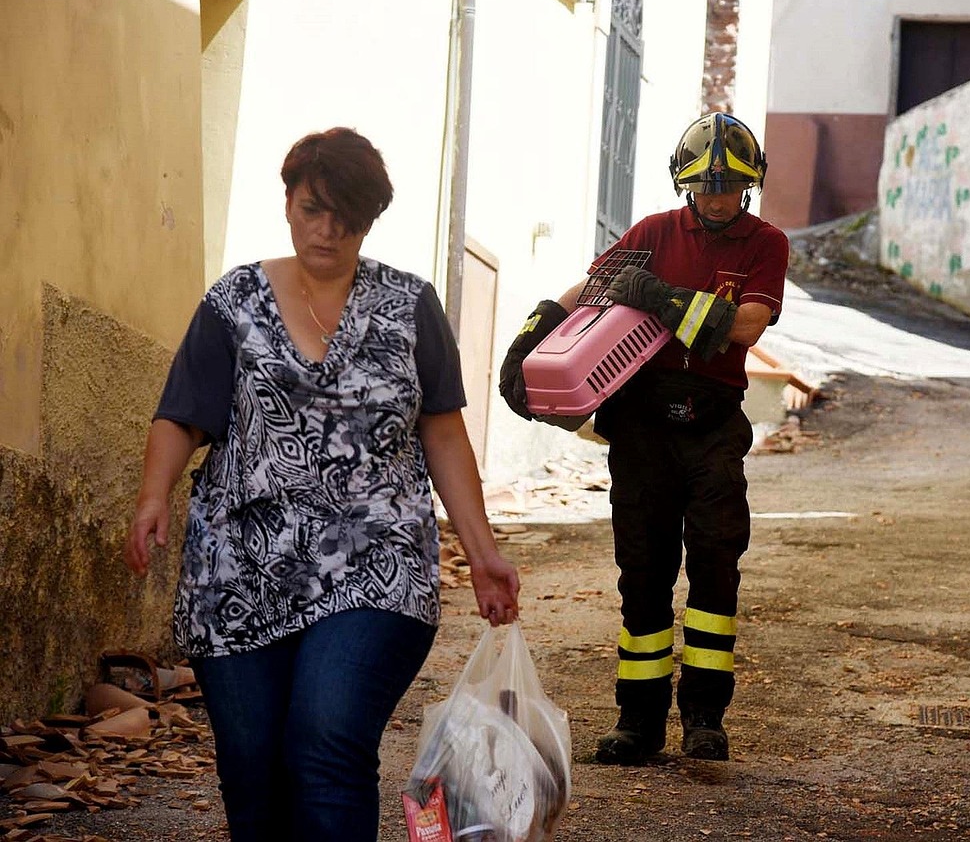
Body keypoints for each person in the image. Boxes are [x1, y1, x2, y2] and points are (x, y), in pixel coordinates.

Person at [123, 127, 521, 841]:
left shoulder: (410, 306)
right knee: (252, 769)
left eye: (347, 216)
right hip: (239, 567)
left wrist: (482, 549)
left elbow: (442, 431)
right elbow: (183, 415)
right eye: (313, 208)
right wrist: (155, 493)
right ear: (288, 203)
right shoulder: (234, 301)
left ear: (370, 220)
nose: (327, 229)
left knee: (327, 735)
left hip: (377, 562)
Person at [499, 113, 787, 764]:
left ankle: (706, 716)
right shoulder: (653, 232)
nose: (716, 198)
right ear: (683, 182)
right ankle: (640, 719)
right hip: (642, 424)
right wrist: (536, 327)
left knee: (716, 567)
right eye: (704, 186)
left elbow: (745, 326)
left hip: (713, 423)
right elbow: (593, 287)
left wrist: (660, 296)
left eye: (729, 187)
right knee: (644, 573)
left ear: (749, 184)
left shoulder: (765, 242)